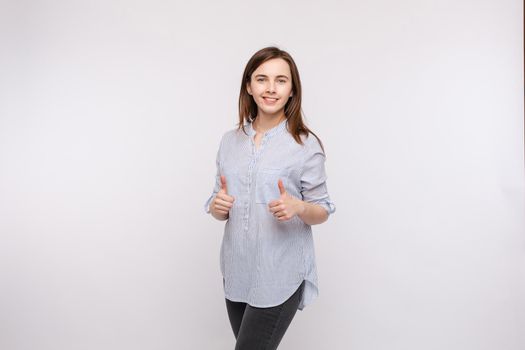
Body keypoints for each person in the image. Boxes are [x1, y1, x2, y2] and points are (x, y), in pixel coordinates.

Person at [203, 46, 336, 350]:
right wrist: (217, 207)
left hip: (280, 273)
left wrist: (299, 206)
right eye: (262, 79)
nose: (271, 89)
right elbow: (218, 201)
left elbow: (323, 209)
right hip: (237, 270)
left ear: (292, 90)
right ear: (249, 86)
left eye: (281, 80)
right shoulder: (230, 141)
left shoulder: (304, 144)